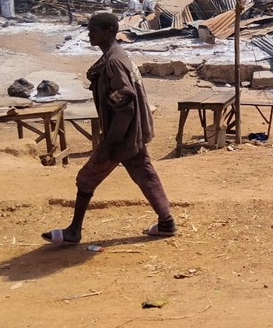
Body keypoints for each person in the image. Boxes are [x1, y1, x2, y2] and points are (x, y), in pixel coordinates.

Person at [42, 12, 176, 244]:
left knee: (86, 178)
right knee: (144, 173)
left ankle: (74, 231)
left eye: (94, 30)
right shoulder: (118, 55)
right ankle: (166, 223)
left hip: (122, 134)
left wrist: (108, 144)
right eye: (89, 30)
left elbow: (125, 105)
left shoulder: (113, 61)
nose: (89, 34)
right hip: (133, 131)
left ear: (110, 31)